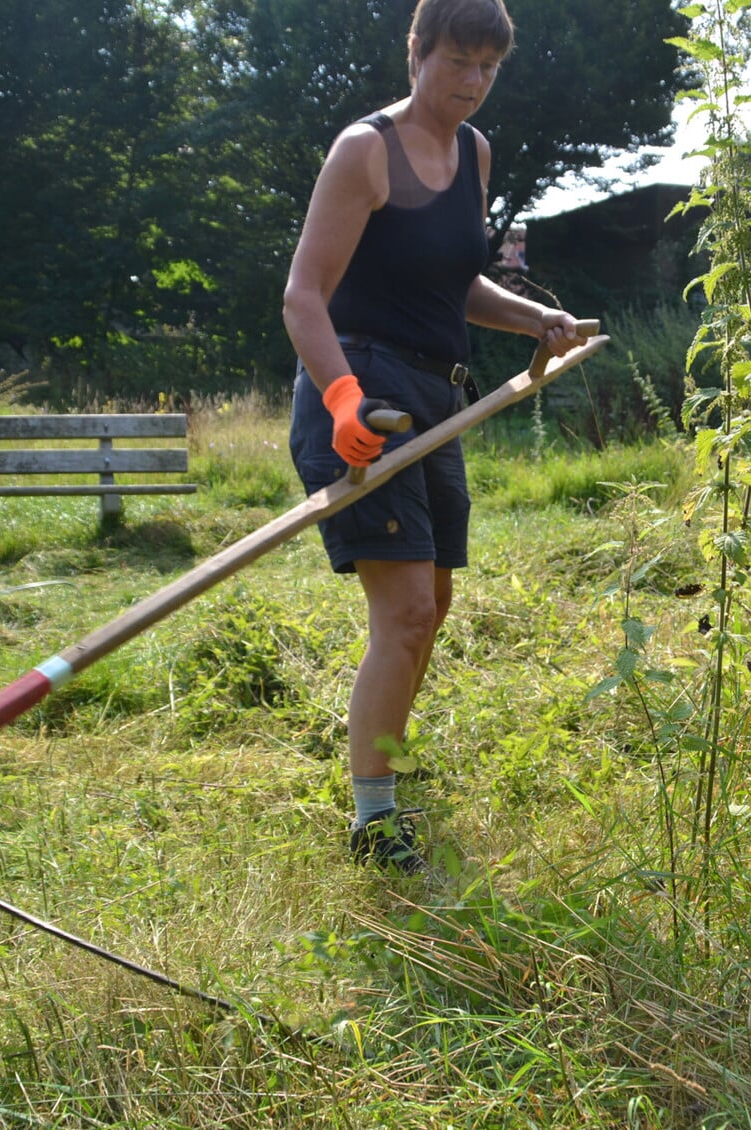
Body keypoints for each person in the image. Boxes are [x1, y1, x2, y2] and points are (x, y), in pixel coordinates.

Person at [283, 0, 587, 873]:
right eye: (457, 61)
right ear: (416, 52)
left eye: (488, 67)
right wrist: (341, 400)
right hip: (362, 394)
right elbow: (305, 296)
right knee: (407, 609)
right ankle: (373, 820)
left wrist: (536, 318)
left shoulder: (473, 156)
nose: (472, 82)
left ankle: (386, 767)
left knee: (432, 608)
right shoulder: (363, 151)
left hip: (439, 395)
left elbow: (453, 288)